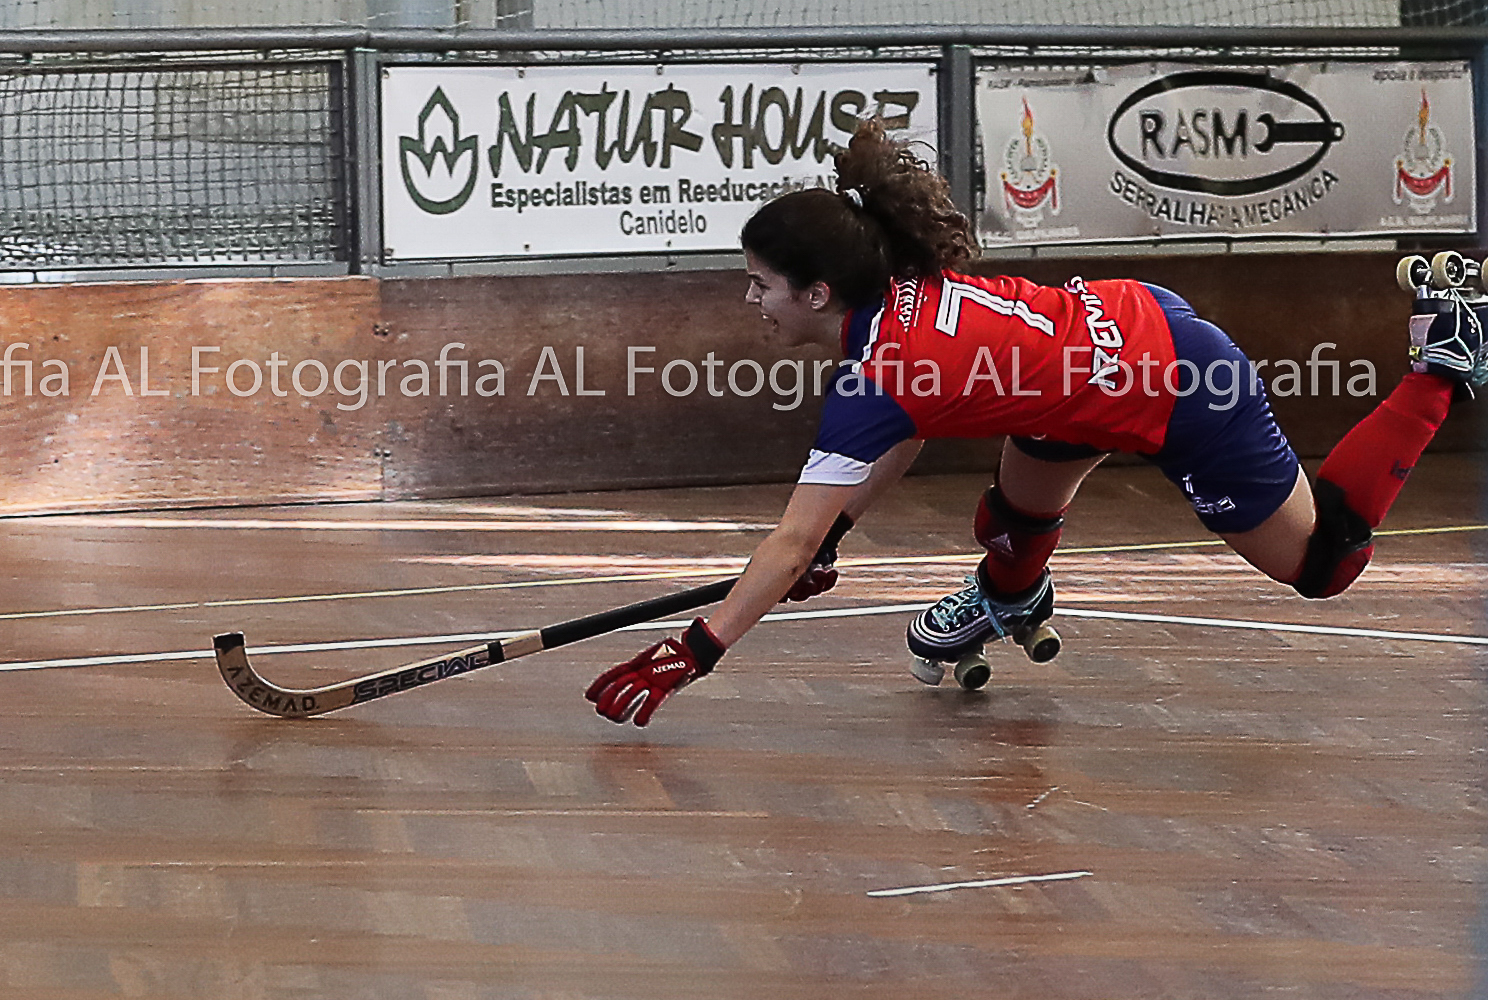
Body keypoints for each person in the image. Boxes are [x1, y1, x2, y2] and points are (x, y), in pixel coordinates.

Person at [581, 121, 1487, 728]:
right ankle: (1004, 597)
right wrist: (838, 530)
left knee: (1323, 563)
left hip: (1180, 385)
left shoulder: (875, 376)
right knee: (1013, 517)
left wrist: (695, 650)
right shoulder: (894, 295)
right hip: (1112, 337)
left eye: (760, 285)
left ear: (817, 294)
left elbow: (788, 540)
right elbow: (908, 432)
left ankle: (1441, 365)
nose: (752, 301)